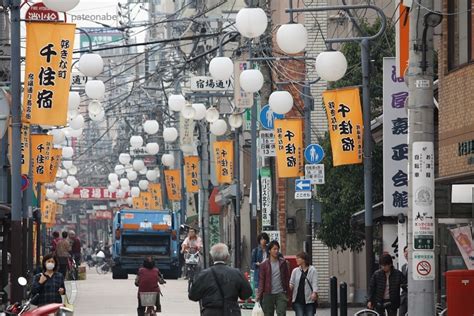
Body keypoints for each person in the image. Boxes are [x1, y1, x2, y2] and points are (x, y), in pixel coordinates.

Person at [188, 243, 252, 316]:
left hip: (210, 312)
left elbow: (193, 296)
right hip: (231, 312)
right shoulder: (237, 273)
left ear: (212, 256)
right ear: (227, 257)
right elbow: (247, 294)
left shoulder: (204, 275)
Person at [257, 240, 290, 316]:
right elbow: (261, 281)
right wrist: (259, 295)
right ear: (269, 251)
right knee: (268, 314)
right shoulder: (264, 265)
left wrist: (288, 293)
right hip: (268, 293)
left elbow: (286, 278)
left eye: (277, 249)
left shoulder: (283, 263)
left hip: (281, 293)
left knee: (281, 313)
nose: (276, 251)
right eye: (274, 249)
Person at [289, 252, 318, 316]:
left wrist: (314, 292)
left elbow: (314, 283)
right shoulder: (295, 271)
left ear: (304, 260)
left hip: (309, 300)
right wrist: (289, 286)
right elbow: (291, 283)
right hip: (298, 300)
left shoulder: (312, 270)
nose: (296, 260)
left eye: (298, 258)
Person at [399, 246, 408, 316]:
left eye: (408, 251)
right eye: (405, 251)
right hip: (404, 295)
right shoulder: (403, 267)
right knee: (401, 313)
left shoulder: (415, 265)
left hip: (412, 295)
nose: (406, 253)